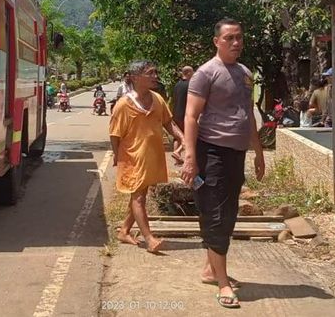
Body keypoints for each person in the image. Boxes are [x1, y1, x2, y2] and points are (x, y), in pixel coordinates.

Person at [181, 18, 265, 310]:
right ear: (216, 41)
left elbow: (248, 114)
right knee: (215, 214)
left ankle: (209, 269)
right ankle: (223, 283)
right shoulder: (205, 73)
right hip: (211, 153)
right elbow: (191, 117)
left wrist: (259, 153)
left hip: (236, 154)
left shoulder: (244, 73)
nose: (236, 42)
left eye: (239, 37)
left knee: (227, 211)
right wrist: (190, 157)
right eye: (229, 38)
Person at [110, 60, 184, 254]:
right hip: (132, 158)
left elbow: (169, 123)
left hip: (152, 158)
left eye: (155, 72)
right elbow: (115, 134)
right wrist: (117, 157)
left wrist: (182, 138)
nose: (155, 76)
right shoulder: (123, 105)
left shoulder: (158, 99)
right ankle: (150, 239)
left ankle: (124, 231)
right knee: (139, 197)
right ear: (135, 78)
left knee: (140, 194)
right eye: (150, 73)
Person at [170, 66, 194, 164]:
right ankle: (178, 151)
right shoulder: (190, 85)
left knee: (178, 137)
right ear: (188, 73)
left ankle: (177, 159)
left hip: (176, 114)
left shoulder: (177, 85)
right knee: (189, 136)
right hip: (185, 114)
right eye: (192, 72)